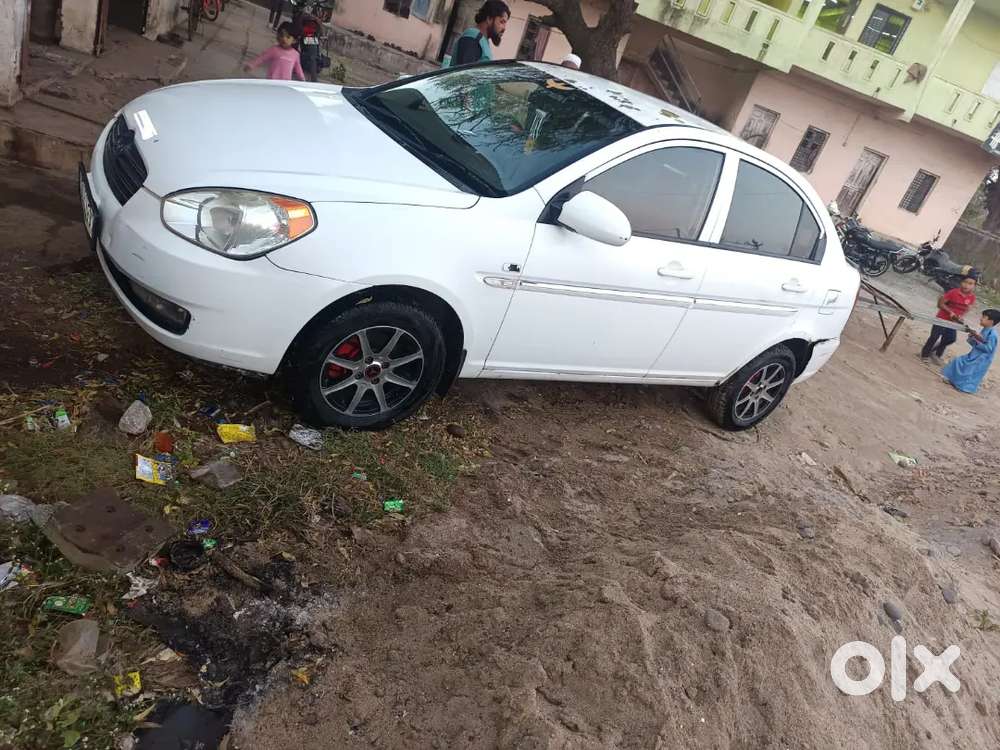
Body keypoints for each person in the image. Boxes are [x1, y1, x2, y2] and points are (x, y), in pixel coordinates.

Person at [920, 275, 977, 365]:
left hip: (954, 322)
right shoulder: (953, 292)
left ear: (974, 286)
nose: (967, 285)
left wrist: (961, 316)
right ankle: (924, 355)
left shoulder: (972, 297)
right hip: (942, 318)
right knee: (934, 337)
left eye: (970, 284)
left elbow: (967, 308)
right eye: (965, 282)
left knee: (950, 339)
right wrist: (950, 312)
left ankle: (936, 354)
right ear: (961, 283)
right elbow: (940, 304)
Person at [942, 309, 1000, 393]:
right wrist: (972, 337)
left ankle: (965, 388)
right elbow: (976, 343)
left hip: (981, 359)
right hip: (974, 355)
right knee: (958, 362)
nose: (980, 318)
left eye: (984, 317)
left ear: (991, 321)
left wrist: (976, 340)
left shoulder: (992, 334)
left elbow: (988, 349)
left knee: (970, 373)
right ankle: (954, 381)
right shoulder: (984, 330)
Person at [445, 1, 510, 67]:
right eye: (502, 22)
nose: (504, 28)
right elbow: (464, 72)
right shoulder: (473, 38)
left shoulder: (481, 40)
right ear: (489, 19)